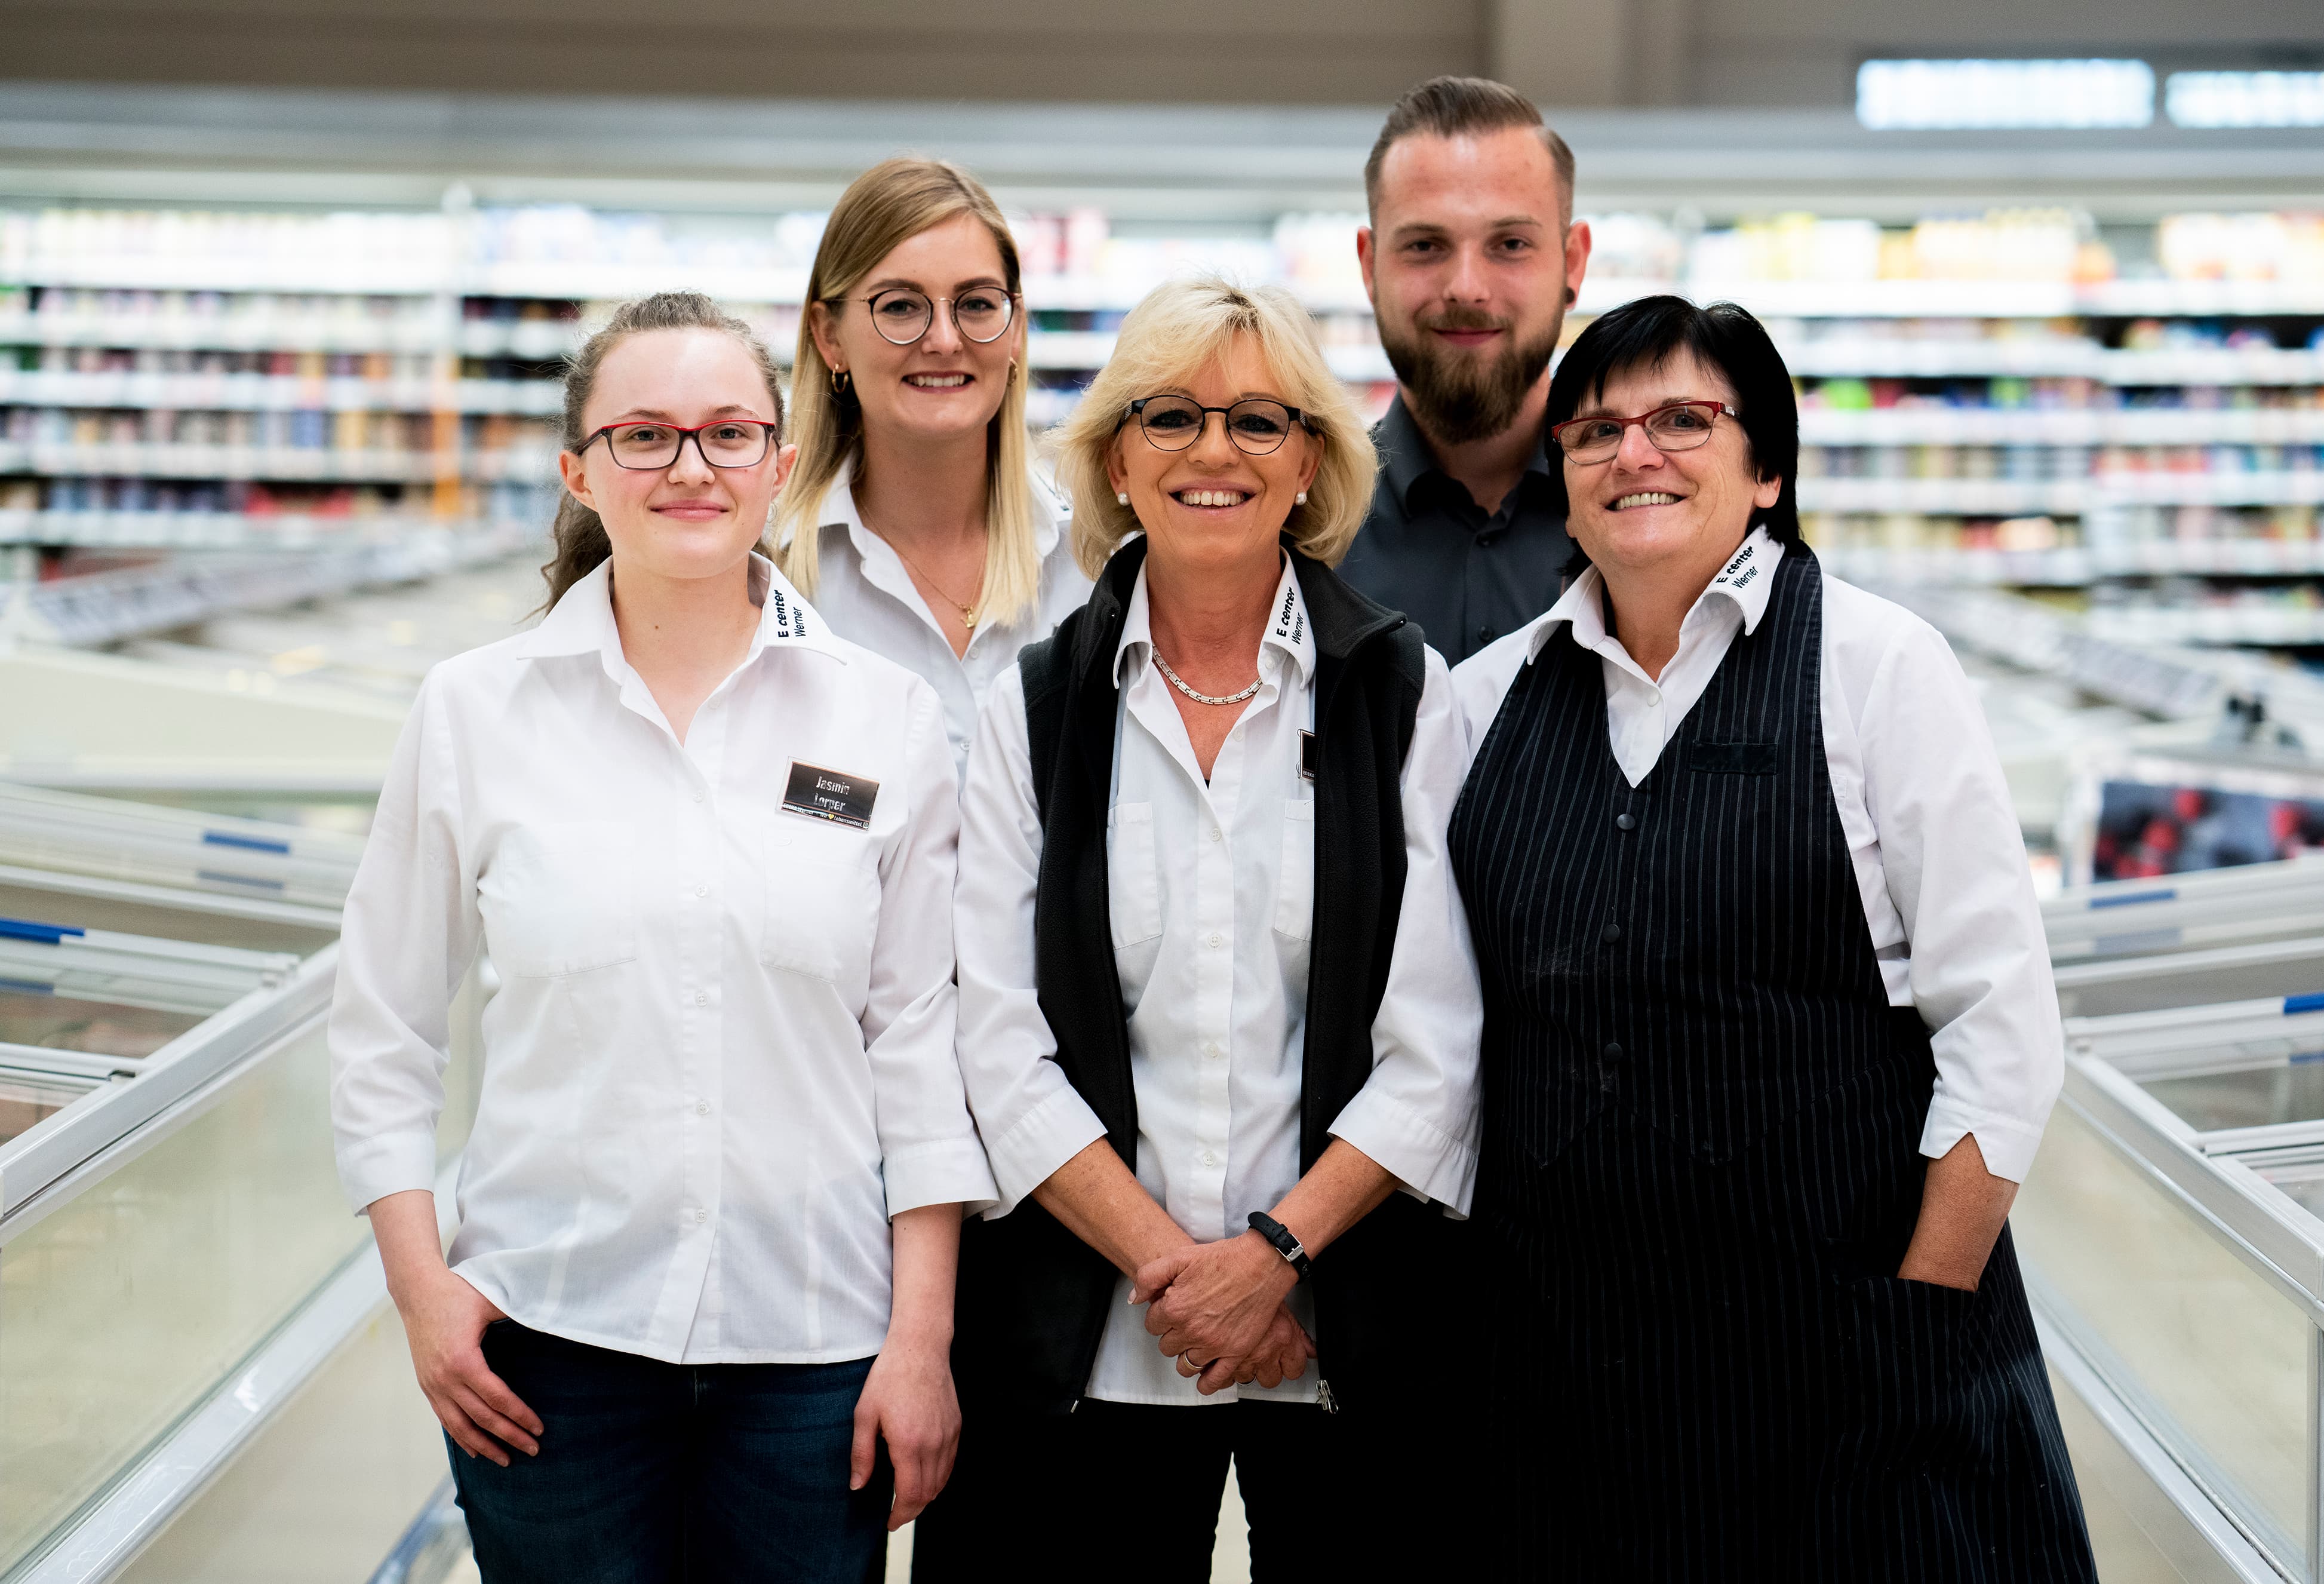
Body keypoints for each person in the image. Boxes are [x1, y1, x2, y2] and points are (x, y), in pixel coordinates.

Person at [329, 291, 995, 1583]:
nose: (690, 468)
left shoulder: (883, 720)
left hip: (814, 1351)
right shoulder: (476, 712)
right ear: (579, 471)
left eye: (727, 434)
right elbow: (383, 1030)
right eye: (644, 436)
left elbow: (917, 1043)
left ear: (780, 463)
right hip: (549, 1348)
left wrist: (918, 1342)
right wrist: (422, 1292)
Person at [1449, 294, 2096, 1579]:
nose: (1634, 454)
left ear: (1765, 468)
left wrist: (1919, 1313)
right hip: (1570, 1386)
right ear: (1561, 488)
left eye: (1682, 420)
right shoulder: (1482, 703)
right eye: (1593, 433)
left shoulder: (1873, 667)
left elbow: (2000, 1031)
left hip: (1850, 1367)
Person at [913, 277, 1480, 1582]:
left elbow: (1437, 1038)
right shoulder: (1035, 706)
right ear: (1114, 456)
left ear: (1310, 464)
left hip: (1337, 1336)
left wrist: (1278, 1261)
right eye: (1169, 416)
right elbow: (995, 1043)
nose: (1212, 451)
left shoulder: (1402, 694)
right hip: (1089, 1339)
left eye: (1257, 422)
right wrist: (1187, 1276)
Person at [779, 156, 1091, 778]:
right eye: (900, 307)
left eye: (976, 303)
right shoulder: (772, 574)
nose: (944, 339)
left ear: (1016, 330)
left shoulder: (1092, 563)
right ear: (828, 335)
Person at [1338, 75, 1591, 665]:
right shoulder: (1300, 536)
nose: (1467, 289)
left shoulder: (1654, 525)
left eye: (1509, 244)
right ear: (1370, 266)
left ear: (1572, 263)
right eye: (1425, 245)